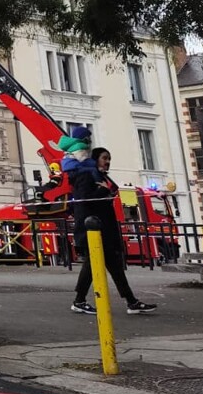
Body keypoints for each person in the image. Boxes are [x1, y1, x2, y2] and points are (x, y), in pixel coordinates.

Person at [62, 131, 156, 315]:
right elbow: (84, 200)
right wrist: (103, 193)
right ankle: (80, 300)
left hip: (102, 229)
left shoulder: (98, 177)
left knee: (114, 268)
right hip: (93, 230)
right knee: (94, 266)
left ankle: (131, 301)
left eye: (109, 158)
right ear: (95, 159)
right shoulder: (86, 176)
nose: (108, 161)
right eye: (105, 158)